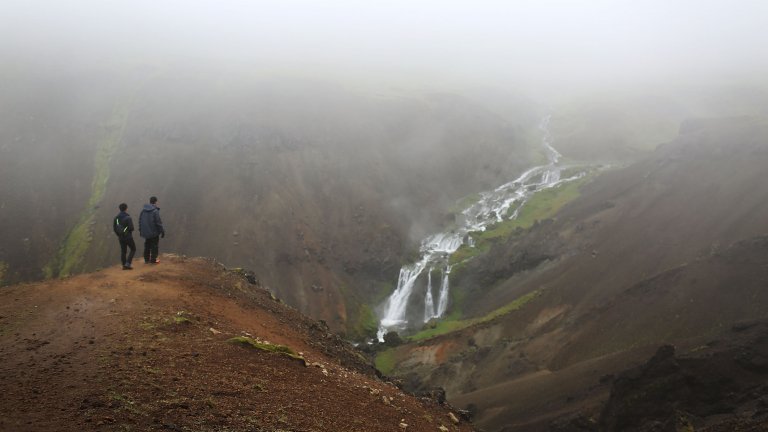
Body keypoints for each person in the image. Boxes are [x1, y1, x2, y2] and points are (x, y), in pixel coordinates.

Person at [138, 196, 165, 264]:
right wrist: (162, 231)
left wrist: (141, 230)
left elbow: (140, 220)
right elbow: (158, 222)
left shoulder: (143, 211)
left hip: (146, 232)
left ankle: (146, 259)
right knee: (154, 245)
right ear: (155, 202)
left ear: (150, 201)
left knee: (147, 245)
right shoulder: (155, 211)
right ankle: (153, 259)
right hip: (154, 232)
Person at [113, 203, 136, 270]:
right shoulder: (128, 217)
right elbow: (131, 228)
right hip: (128, 237)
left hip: (121, 238)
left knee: (123, 251)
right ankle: (128, 264)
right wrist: (126, 231)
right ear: (126, 208)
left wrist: (119, 234)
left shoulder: (116, 218)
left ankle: (124, 265)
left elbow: (115, 228)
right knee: (133, 249)